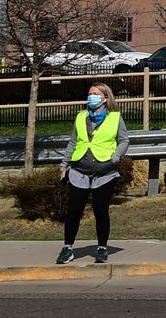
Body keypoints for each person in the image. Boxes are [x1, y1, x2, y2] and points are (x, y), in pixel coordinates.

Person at [56, 84, 130, 265]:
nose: (91, 97)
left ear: (105, 98)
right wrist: (64, 165)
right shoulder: (81, 117)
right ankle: (67, 248)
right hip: (79, 169)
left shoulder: (115, 118)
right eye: (90, 94)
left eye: (96, 94)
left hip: (104, 171)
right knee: (74, 211)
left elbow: (124, 140)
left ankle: (102, 248)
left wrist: (115, 158)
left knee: (101, 210)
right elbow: (73, 142)